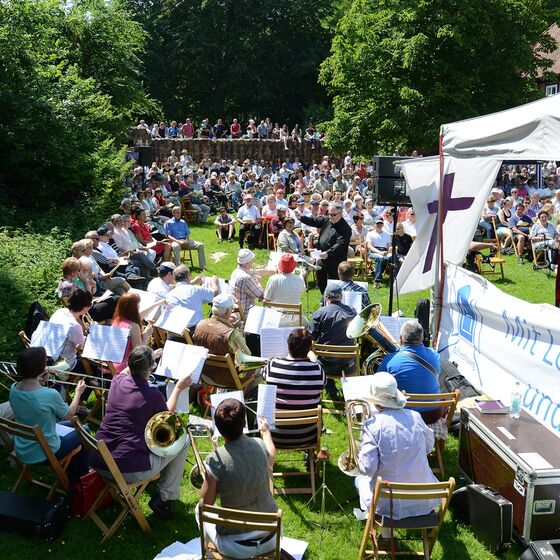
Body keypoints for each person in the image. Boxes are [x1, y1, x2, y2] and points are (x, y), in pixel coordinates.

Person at [93, 346, 191, 520]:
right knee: (183, 441)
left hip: (101, 462)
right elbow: (166, 416)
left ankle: (162, 491)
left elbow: (126, 370)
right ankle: (164, 496)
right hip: (126, 469)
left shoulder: (116, 381)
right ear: (150, 369)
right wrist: (178, 388)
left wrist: (148, 355)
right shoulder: (152, 394)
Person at [199, 399, 278, 559]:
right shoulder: (259, 445)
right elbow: (271, 453)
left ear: (219, 430)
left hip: (235, 547)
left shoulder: (216, 460)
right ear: (244, 423)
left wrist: (209, 478)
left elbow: (206, 505)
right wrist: (266, 432)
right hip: (272, 537)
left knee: (197, 508)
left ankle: (207, 554)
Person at [355, 372, 438, 524]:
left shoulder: (373, 425)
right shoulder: (415, 416)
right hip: (424, 498)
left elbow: (367, 468)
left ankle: (386, 536)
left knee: (359, 480)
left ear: (375, 402)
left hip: (389, 504)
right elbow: (428, 447)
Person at [9, 347, 89, 482]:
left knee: (74, 426)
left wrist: (41, 381)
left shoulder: (14, 388)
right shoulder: (49, 394)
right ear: (40, 368)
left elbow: (35, 398)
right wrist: (78, 393)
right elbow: (69, 414)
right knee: (84, 429)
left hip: (23, 447)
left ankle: (75, 471)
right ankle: (79, 479)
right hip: (45, 451)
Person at [263, 329, 326, 448]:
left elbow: (263, 374)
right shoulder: (317, 370)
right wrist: (314, 360)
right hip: (308, 436)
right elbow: (324, 383)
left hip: (274, 436)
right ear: (308, 349)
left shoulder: (273, 365)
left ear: (288, 346)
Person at [378, 321, 443, 424]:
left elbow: (379, 385)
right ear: (422, 338)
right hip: (431, 415)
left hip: (402, 414)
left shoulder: (389, 360)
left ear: (400, 339)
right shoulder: (434, 355)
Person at [311, 284, 357, 400]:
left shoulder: (319, 314)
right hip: (348, 365)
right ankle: (349, 394)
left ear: (326, 297)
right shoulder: (352, 313)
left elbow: (312, 337)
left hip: (325, 366)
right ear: (341, 296)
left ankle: (331, 391)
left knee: (317, 357)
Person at [299, 202, 352, 293]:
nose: (331, 216)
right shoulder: (327, 220)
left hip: (335, 260)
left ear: (341, 213)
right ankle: (324, 299)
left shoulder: (345, 228)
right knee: (321, 281)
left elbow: (340, 244)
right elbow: (314, 221)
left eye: (334, 214)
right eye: (329, 214)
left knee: (334, 285)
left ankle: (333, 303)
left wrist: (328, 253)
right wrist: (301, 217)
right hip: (322, 258)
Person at [166, 265, 219, 332]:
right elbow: (215, 292)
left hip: (176, 332)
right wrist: (213, 281)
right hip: (195, 332)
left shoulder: (169, 295)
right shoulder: (195, 290)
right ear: (187, 276)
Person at [111, 292, 153, 374]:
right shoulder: (133, 326)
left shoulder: (116, 321)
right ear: (133, 307)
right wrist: (146, 334)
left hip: (111, 364)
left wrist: (157, 304)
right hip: (124, 367)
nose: (139, 306)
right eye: (138, 305)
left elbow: (140, 315)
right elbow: (140, 353)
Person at [263, 254, 306, 326]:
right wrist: (302, 276)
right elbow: (303, 290)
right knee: (307, 324)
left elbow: (266, 299)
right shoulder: (299, 279)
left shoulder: (273, 279)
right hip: (295, 320)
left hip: (275, 319)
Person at [229, 249, 268, 314]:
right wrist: (259, 282)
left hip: (235, 310)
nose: (253, 261)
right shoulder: (246, 278)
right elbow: (261, 295)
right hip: (246, 313)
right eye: (252, 260)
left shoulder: (236, 271)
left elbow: (256, 272)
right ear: (247, 263)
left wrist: (274, 271)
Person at [366, 218, 392, 289]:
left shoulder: (387, 234)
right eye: (377, 223)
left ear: (383, 224)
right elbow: (369, 247)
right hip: (374, 251)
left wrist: (387, 251)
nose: (379, 225)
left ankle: (393, 279)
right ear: (374, 224)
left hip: (385, 251)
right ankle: (377, 281)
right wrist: (380, 252)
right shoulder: (370, 234)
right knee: (380, 258)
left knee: (392, 258)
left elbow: (389, 246)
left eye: (381, 223)